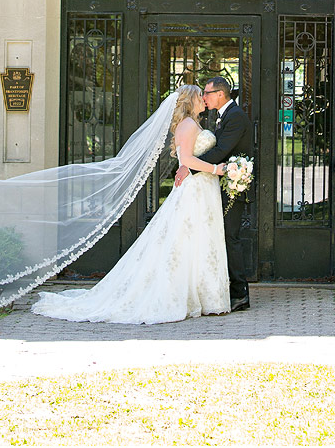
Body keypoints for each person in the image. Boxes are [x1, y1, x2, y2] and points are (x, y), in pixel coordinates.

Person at [31, 84, 230, 325]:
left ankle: (204, 295)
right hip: (194, 191)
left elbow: (189, 161)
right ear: (190, 100)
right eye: (201, 96)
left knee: (200, 239)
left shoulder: (194, 123)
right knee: (185, 240)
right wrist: (215, 169)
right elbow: (186, 158)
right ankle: (182, 295)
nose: (204, 100)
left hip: (203, 189)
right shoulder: (187, 125)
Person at [176, 75, 253, 312]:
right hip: (215, 185)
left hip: (232, 186)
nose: (204, 98)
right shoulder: (221, 116)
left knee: (230, 237)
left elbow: (221, 150)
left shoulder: (236, 117)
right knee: (215, 238)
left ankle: (240, 293)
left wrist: (188, 167)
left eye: (207, 93)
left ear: (220, 94)